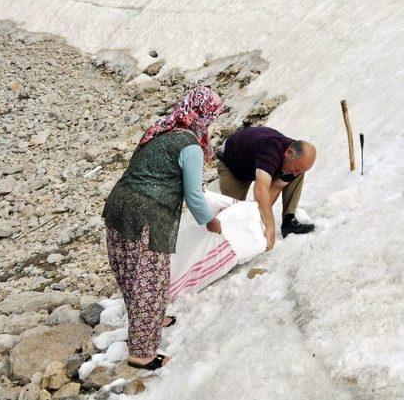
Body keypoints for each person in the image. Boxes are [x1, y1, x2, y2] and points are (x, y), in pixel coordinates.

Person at [102, 86, 223, 370]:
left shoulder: (162, 129)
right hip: (147, 214)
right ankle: (142, 353)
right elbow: (193, 194)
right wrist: (210, 219)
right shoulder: (190, 146)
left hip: (119, 205)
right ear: (203, 115)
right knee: (149, 279)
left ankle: (152, 318)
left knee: (130, 270)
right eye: (212, 116)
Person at [216, 126, 316, 250]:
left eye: (299, 170)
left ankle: (288, 221)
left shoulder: (295, 159)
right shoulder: (270, 150)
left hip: (258, 164)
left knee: (297, 174)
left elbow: (275, 187)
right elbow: (260, 189)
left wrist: (260, 222)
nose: (295, 174)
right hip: (233, 166)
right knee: (232, 213)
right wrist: (270, 227)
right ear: (288, 153)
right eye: (296, 169)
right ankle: (227, 249)